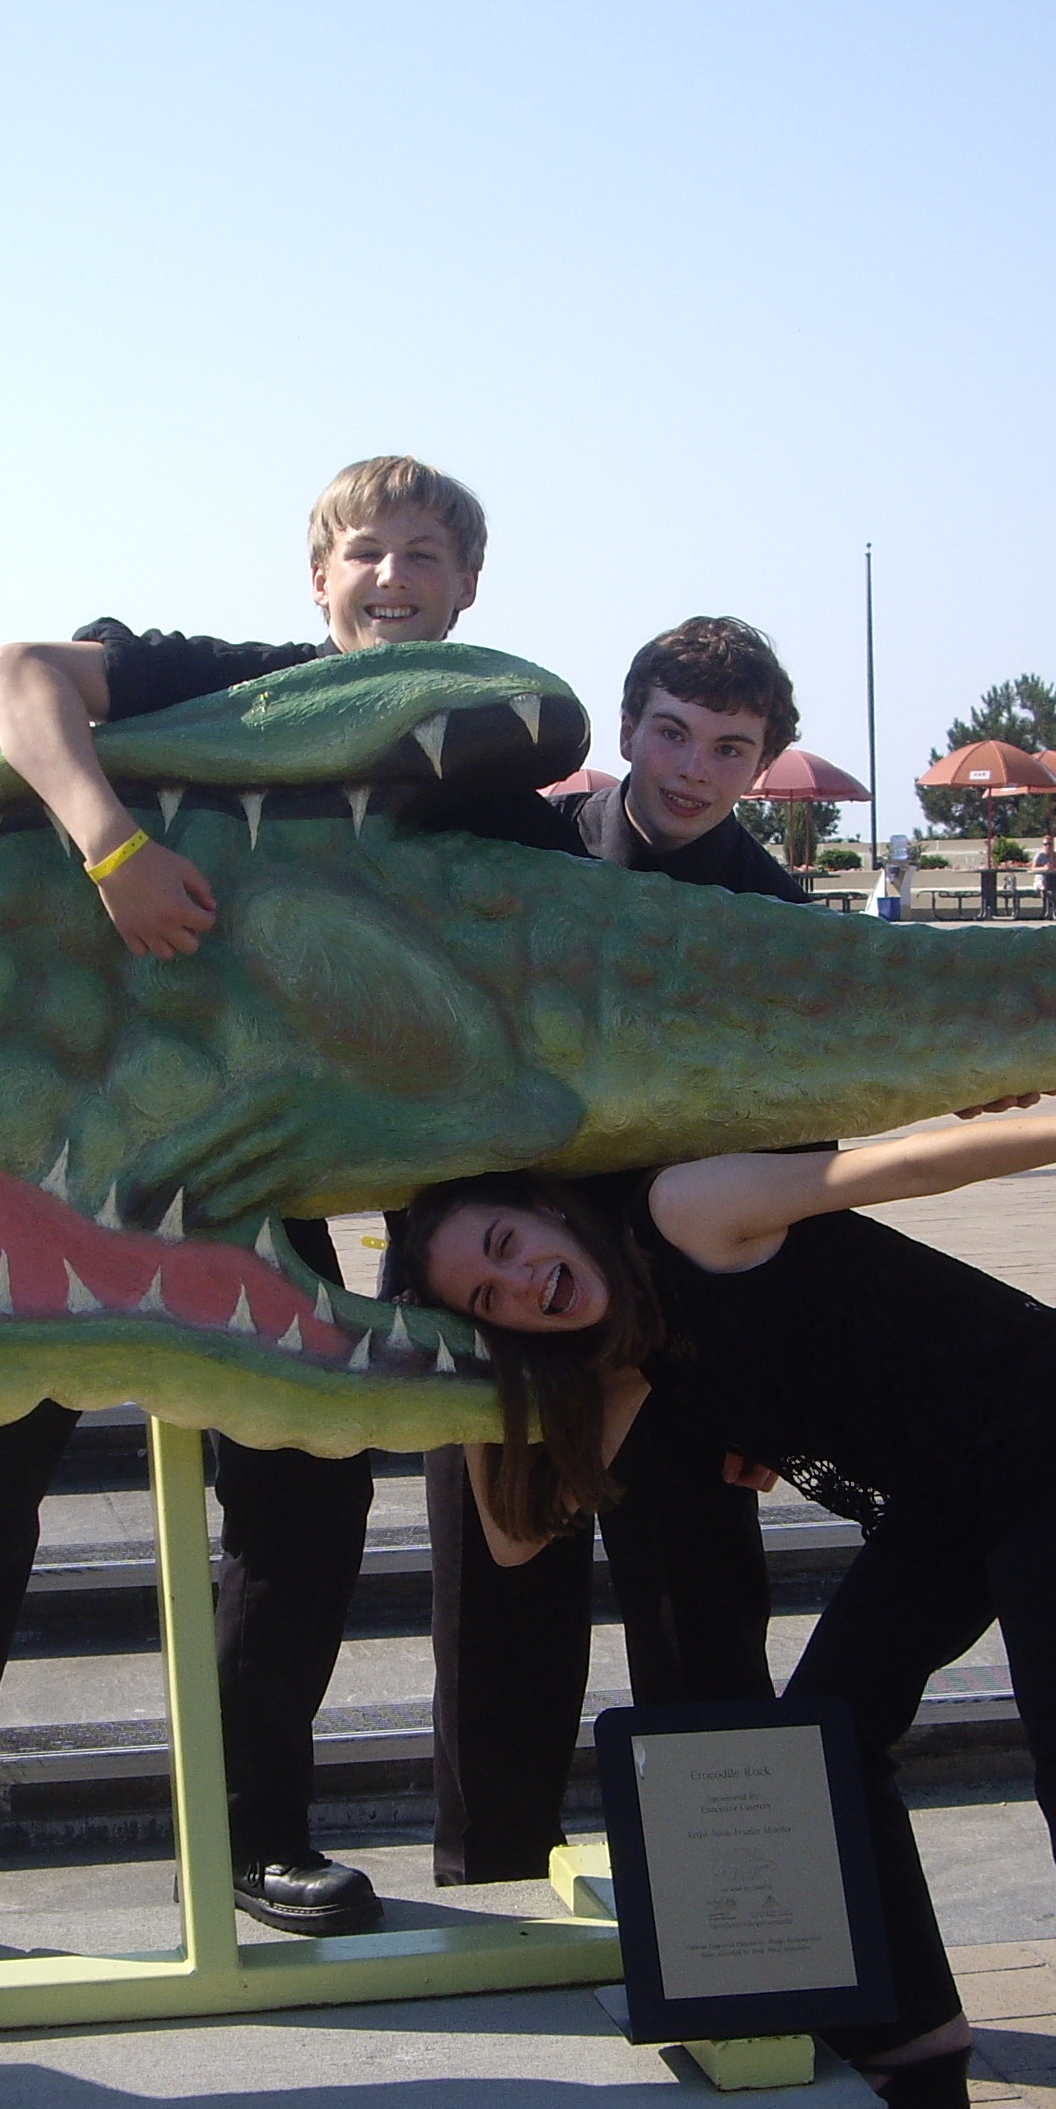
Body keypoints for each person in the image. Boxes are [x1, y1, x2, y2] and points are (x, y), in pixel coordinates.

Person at [0, 454, 578, 1969]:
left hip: (264, 1186)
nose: (395, 578)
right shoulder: (232, 685)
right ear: (317, 584)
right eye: (367, 554)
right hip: (56, 1170)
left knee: (308, 1508)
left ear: (470, 591)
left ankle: (263, 1834)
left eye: (426, 558)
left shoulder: (496, 786)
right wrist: (110, 845)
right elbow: (15, 674)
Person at [388, 1079, 1056, 2109]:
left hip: (1053, 1430)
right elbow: (512, 1541)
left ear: (547, 1207)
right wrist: (471, 1380)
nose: (522, 1284)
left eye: (509, 1246)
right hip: (948, 1494)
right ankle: (911, 2036)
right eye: (487, 1300)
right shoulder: (619, 1362)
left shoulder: (689, 1207)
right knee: (829, 1737)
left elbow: (902, 1169)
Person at [424, 619, 807, 1886]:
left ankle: (728, 1913)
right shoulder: (527, 847)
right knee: (496, 1624)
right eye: (671, 733)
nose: (693, 769)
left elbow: (806, 1174)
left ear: (763, 764)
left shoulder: (780, 920)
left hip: (685, 1325)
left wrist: (769, 1396)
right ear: (630, 724)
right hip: (507, 1298)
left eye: (730, 748)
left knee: (700, 1623)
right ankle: (493, 1890)